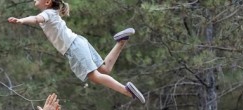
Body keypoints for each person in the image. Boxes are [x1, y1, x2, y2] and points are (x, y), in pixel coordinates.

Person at [8, 0, 146, 104]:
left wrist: (21, 20)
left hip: (73, 48)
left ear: (48, 2)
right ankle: (121, 41)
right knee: (104, 69)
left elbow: (36, 19)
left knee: (95, 77)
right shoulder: (52, 13)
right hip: (78, 42)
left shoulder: (47, 13)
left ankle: (126, 91)